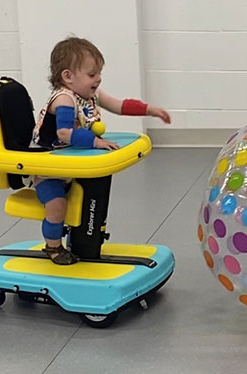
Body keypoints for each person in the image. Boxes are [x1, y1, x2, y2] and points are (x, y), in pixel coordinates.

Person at [31, 37, 171, 265]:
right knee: (58, 206)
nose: (98, 79)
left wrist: (150, 110)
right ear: (68, 76)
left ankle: (86, 243)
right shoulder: (65, 99)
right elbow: (65, 133)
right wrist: (95, 142)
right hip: (48, 170)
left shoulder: (88, 95)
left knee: (89, 201)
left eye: (99, 73)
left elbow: (119, 105)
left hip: (71, 165)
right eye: (92, 74)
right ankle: (53, 247)